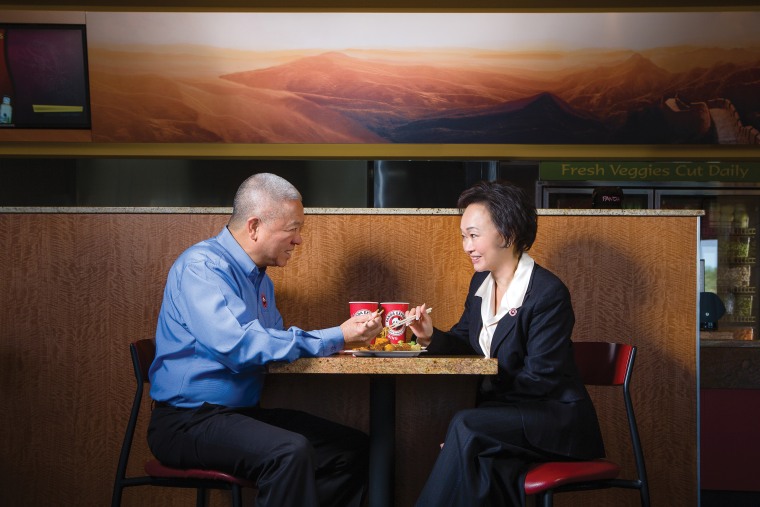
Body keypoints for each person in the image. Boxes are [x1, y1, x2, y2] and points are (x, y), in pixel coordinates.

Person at [147, 172, 383, 507]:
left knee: (351, 448)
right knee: (289, 452)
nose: (299, 240)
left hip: (238, 415)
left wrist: (344, 341)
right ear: (255, 226)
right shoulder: (202, 267)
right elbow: (241, 347)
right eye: (293, 228)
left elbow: (271, 347)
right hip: (187, 421)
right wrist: (336, 336)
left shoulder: (262, 283)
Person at [408, 180, 605, 506]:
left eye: (473, 235)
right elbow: (467, 342)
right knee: (479, 459)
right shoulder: (479, 283)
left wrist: (476, 428)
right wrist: (429, 336)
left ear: (507, 233)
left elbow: (542, 377)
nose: (465, 246)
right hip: (507, 418)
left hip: (553, 420)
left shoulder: (547, 292)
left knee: (464, 425)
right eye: (463, 236)